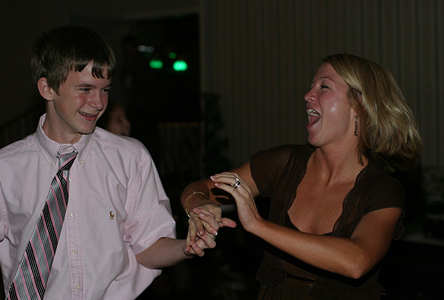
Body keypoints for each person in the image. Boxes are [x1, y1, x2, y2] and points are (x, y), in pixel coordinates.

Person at [0, 25, 213, 300]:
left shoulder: (130, 158)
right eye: (85, 89)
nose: (98, 103)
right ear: (47, 88)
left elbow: (147, 247)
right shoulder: (2, 170)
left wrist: (186, 247)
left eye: (105, 89)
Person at [180, 53, 423, 299]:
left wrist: (257, 225)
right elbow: (201, 188)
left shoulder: (381, 190)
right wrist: (200, 206)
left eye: (324, 87)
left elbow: (356, 262)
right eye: (310, 86)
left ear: (359, 105)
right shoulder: (282, 165)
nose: (307, 96)